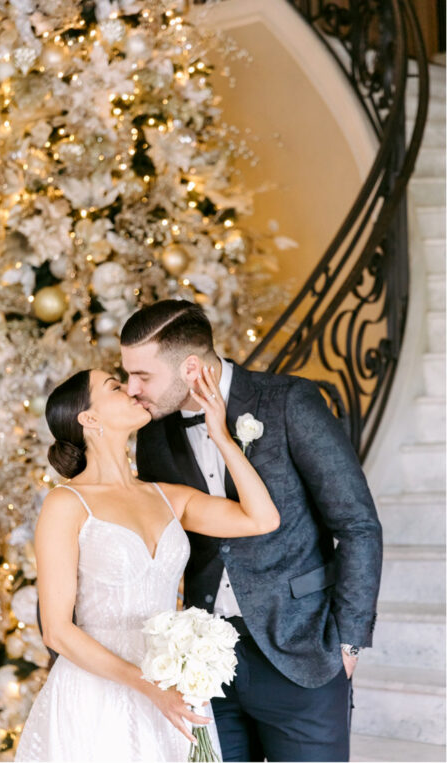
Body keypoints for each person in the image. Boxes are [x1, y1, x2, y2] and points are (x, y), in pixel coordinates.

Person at [121, 299, 382, 762]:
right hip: (205, 666)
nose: (131, 388)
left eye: (143, 376)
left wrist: (349, 642)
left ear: (190, 367)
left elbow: (357, 524)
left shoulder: (287, 402)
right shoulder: (154, 435)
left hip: (303, 652)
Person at [15, 363, 281, 762]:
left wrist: (221, 436)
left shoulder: (167, 496)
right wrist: (149, 687)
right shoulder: (65, 504)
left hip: (170, 684)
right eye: (114, 387)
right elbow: (56, 631)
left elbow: (262, 518)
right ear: (88, 417)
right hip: (97, 692)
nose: (132, 391)